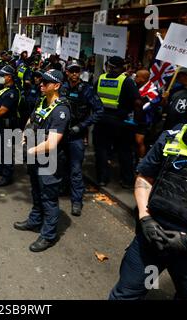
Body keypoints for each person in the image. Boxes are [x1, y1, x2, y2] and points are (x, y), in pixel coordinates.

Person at [110, 88, 187, 300]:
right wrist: (145, 219)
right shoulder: (172, 137)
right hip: (153, 241)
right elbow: (145, 178)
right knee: (130, 292)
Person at [14, 69, 71, 252]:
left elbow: (52, 143)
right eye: (41, 81)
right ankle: (35, 220)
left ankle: (48, 235)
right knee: (36, 191)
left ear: (57, 86)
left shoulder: (61, 110)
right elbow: (30, 122)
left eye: (46, 82)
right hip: (35, 157)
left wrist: (29, 150)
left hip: (49, 161)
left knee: (48, 198)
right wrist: (23, 138)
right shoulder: (41, 101)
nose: (41, 84)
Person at [61, 62, 103, 216]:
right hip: (61, 134)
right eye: (71, 71)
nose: (74, 74)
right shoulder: (62, 88)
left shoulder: (87, 90)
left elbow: (99, 111)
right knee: (61, 164)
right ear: (67, 72)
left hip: (76, 135)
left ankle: (76, 201)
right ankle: (63, 188)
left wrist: (83, 126)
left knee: (76, 170)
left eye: (77, 71)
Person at [94, 56, 143, 188]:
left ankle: (102, 179)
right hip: (121, 123)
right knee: (124, 151)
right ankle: (127, 181)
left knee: (102, 151)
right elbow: (138, 103)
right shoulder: (126, 81)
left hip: (101, 121)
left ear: (109, 66)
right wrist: (138, 122)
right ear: (122, 68)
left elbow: (92, 98)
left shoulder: (101, 79)